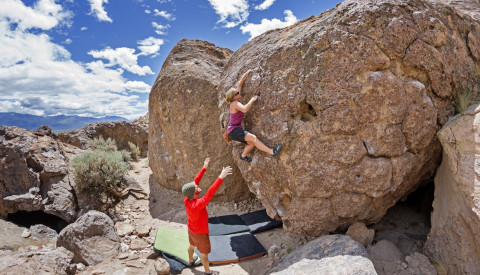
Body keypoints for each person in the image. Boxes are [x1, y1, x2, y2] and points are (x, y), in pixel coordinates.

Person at [182, 158, 232, 275]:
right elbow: (210, 193)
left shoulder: (187, 198)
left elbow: (195, 181)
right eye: (195, 187)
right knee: (204, 254)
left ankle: (190, 261)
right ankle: (208, 272)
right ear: (193, 193)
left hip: (191, 229)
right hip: (200, 233)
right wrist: (220, 177)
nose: (197, 185)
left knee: (191, 246)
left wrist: (204, 168)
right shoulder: (197, 205)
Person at [225, 70, 282, 162]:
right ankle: (272, 152)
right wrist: (252, 100)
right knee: (253, 138)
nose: (239, 93)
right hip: (234, 130)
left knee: (251, 143)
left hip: (233, 130)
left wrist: (245, 74)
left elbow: (239, 86)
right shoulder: (235, 103)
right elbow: (244, 109)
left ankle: (243, 156)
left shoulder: (234, 99)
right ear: (235, 96)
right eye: (237, 93)